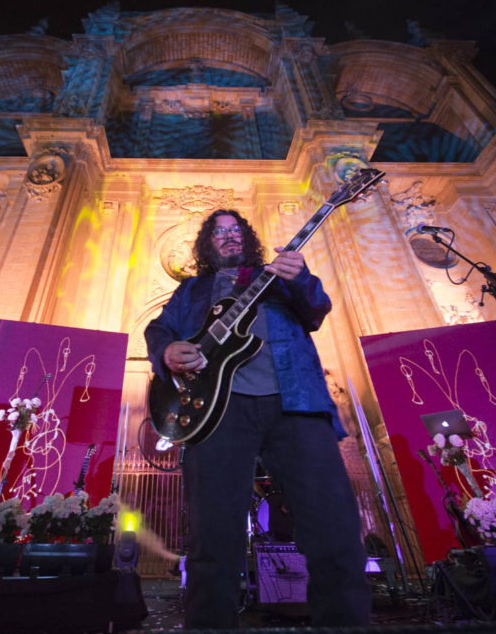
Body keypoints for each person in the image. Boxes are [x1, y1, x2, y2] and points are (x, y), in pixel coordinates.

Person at [144, 210, 370, 628]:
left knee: (334, 526)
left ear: (247, 238)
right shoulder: (192, 289)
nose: (228, 237)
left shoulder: (279, 276)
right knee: (212, 536)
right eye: (218, 232)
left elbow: (317, 310)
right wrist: (168, 352)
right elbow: (159, 330)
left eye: (234, 230)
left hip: (296, 402)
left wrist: (299, 277)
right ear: (207, 245)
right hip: (216, 412)